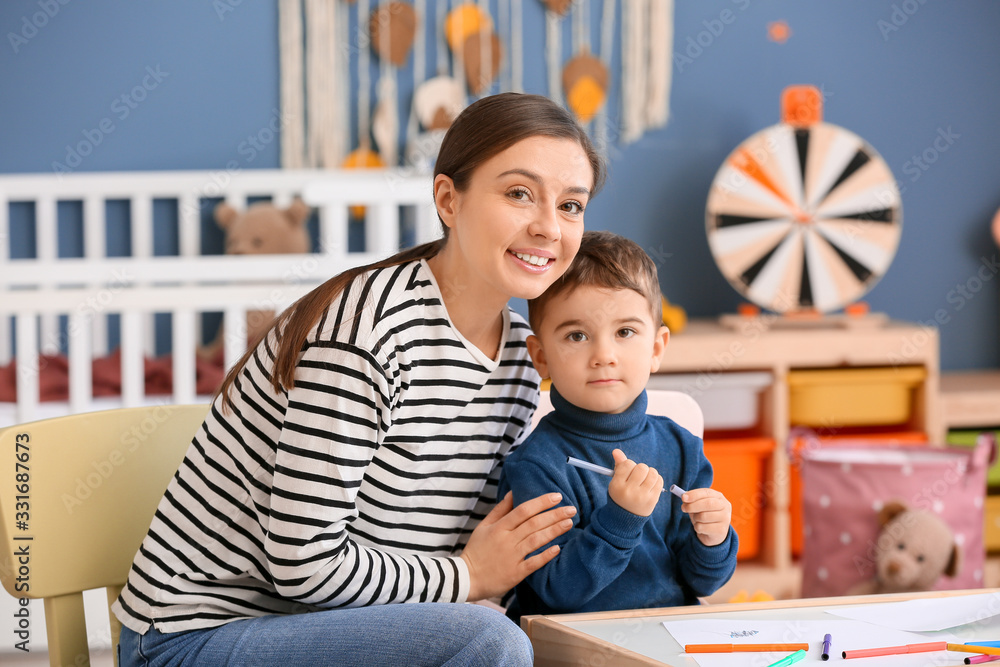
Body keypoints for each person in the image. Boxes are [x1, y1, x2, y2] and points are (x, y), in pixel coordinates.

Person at [111, 92, 606, 667]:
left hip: (341, 629)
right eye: (519, 193)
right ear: (449, 199)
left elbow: (464, 562)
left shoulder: (520, 367)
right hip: (196, 637)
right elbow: (304, 564)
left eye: (571, 205)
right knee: (488, 642)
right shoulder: (367, 331)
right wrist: (468, 576)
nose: (549, 227)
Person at [498, 231, 738, 619]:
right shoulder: (535, 466)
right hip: (573, 648)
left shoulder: (680, 447)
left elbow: (702, 583)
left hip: (668, 637)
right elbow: (558, 590)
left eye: (625, 332)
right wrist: (621, 520)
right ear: (540, 358)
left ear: (656, 348)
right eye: (577, 335)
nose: (604, 355)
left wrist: (714, 539)